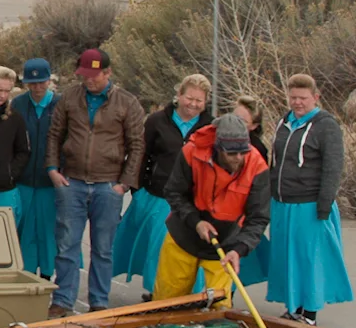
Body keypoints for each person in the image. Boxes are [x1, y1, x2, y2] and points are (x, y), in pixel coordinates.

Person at [46, 48, 145, 317]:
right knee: (67, 245)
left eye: (94, 75)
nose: (88, 80)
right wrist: (53, 169)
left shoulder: (127, 103)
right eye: (84, 75)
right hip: (72, 183)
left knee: (103, 249)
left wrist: (124, 184)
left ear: (108, 72)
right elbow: (55, 134)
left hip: (108, 186)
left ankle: (99, 302)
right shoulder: (70, 98)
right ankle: (63, 300)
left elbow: (137, 145)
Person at [114, 74, 212, 301]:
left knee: (189, 248)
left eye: (199, 100)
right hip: (159, 196)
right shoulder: (157, 121)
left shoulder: (210, 126)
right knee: (159, 248)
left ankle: (189, 295)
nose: (194, 104)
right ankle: (157, 292)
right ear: (179, 95)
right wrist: (137, 189)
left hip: (195, 201)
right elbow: (142, 155)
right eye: (190, 98)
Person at [155, 114, 269, 304]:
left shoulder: (257, 167)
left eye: (243, 152)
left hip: (225, 246)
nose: (238, 158)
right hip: (184, 234)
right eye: (232, 153)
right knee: (166, 303)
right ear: (218, 147)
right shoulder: (191, 152)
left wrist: (239, 250)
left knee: (220, 307)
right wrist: (196, 222)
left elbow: (258, 218)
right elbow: (174, 192)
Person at [266, 74, 351, 326]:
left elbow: (333, 167)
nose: (297, 103)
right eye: (293, 97)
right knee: (288, 257)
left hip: (310, 205)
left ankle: (310, 314)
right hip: (283, 203)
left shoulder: (326, 126)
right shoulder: (284, 121)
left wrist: (324, 205)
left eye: (302, 98)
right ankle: (294, 307)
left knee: (309, 259)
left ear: (315, 97)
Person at [9, 59, 60, 276]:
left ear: (49, 80)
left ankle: (47, 275)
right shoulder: (18, 105)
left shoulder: (61, 104)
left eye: (41, 82)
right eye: (32, 83)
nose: (37, 88)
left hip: (51, 181)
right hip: (24, 179)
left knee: (48, 231)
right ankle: (25, 275)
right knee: (24, 230)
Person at [0, 65, 31, 228]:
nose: (2, 95)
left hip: (5, 189)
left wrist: (10, 173)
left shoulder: (14, 118)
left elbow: (23, 151)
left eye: (7, 91)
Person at [234, 95, 269, 161]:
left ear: (253, 126)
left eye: (242, 121)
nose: (235, 122)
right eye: (234, 117)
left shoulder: (258, 150)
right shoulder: (219, 138)